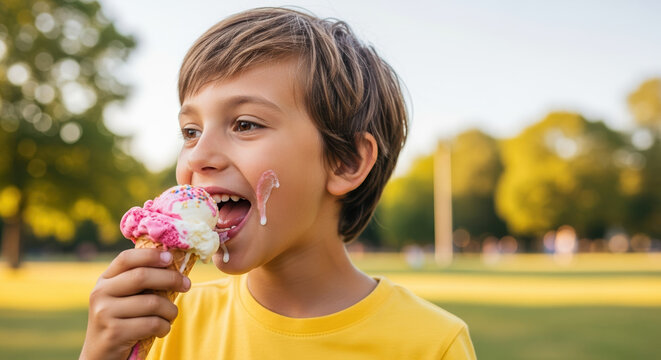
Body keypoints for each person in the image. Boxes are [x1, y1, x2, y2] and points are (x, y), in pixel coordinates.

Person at [80, 7, 476, 360]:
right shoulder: (165, 325)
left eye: (245, 124)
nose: (198, 155)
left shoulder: (431, 344)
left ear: (346, 161)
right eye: (190, 130)